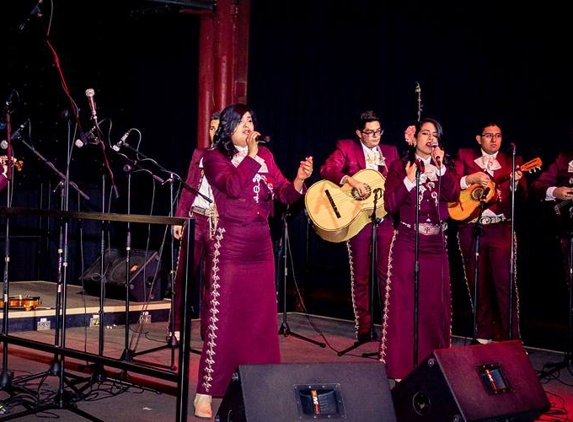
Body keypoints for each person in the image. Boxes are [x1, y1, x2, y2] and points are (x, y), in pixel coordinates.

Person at [193, 103, 313, 418]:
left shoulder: (265, 157)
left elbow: (284, 193)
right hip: (230, 245)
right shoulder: (212, 158)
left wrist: (299, 181)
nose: (248, 127)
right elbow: (232, 187)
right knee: (224, 319)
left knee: (260, 320)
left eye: (251, 121)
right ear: (228, 127)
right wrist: (251, 156)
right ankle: (206, 391)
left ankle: (263, 384)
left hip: (260, 244)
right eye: (242, 122)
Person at [380, 118, 459, 381]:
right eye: (424, 133)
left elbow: (454, 196)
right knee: (404, 306)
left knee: (433, 306)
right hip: (407, 242)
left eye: (434, 134)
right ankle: (401, 368)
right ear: (414, 138)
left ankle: (432, 367)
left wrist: (443, 170)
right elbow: (390, 204)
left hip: (436, 245)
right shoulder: (399, 166)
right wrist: (409, 182)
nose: (429, 138)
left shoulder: (444, 166)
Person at [319, 110, 398, 343]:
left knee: (388, 274)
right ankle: (364, 328)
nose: (375, 136)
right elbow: (327, 170)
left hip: (384, 220)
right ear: (358, 133)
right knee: (361, 275)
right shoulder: (346, 147)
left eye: (378, 131)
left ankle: (390, 328)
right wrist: (350, 180)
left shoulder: (391, 152)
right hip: (358, 221)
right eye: (369, 132)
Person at [454, 121, 526, 343]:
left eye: (498, 135)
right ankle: (483, 335)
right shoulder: (464, 156)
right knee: (477, 283)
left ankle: (511, 340)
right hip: (471, 228)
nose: (494, 140)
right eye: (489, 135)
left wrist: (515, 184)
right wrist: (470, 179)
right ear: (479, 138)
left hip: (500, 228)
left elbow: (524, 196)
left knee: (505, 285)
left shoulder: (512, 161)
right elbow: (451, 185)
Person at [170, 112, 220, 343]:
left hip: (217, 224)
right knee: (183, 276)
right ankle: (176, 326)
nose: (213, 132)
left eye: (218, 128)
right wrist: (180, 219)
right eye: (210, 128)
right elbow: (189, 186)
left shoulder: (232, 160)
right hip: (196, 220)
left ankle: (209, 332)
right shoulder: (201, 154)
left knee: (212, 281)